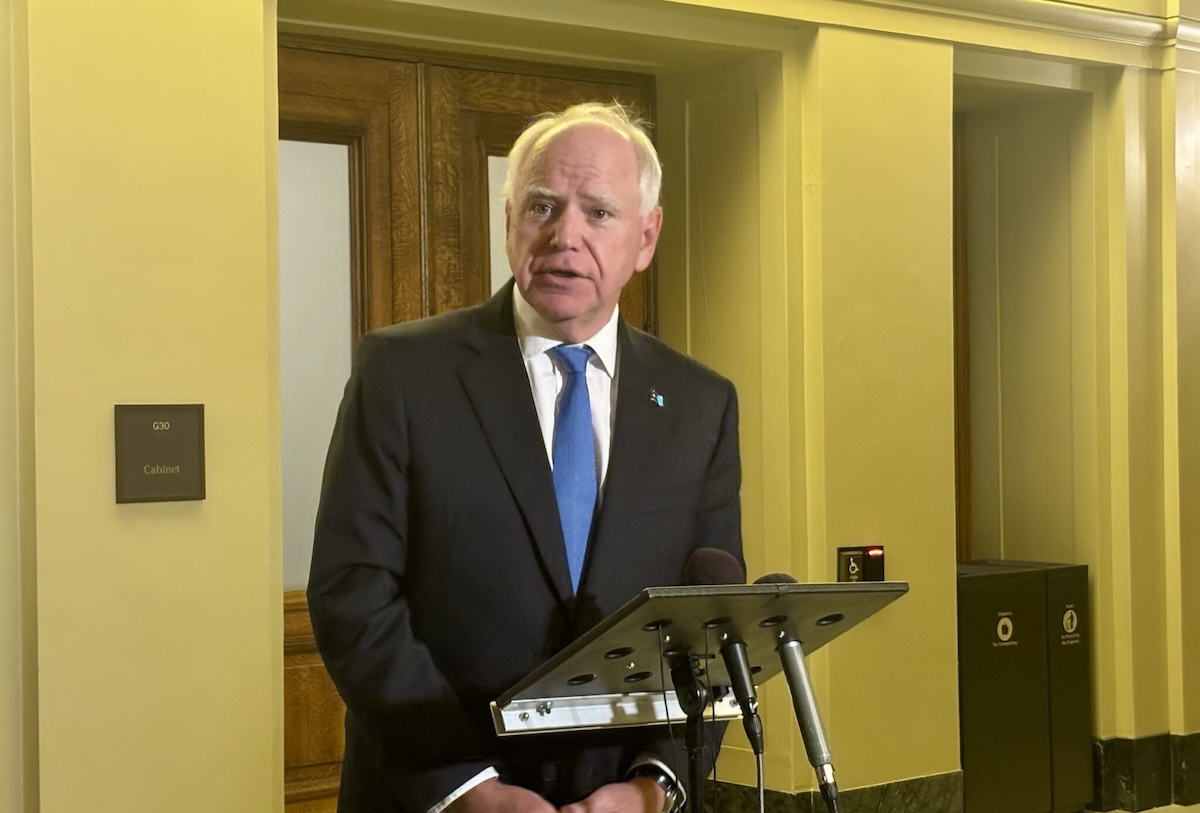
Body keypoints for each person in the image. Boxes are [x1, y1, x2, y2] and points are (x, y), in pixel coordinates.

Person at [308, 101, 743, 813]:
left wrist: (653, 786)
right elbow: (352, 595)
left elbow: (710, 621)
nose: (565, 236)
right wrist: (465, 787)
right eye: (542, 206)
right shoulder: (403, 373)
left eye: (598, 212)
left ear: (645, 237)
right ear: (508, 220)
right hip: (436, 791)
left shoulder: (701, 403)